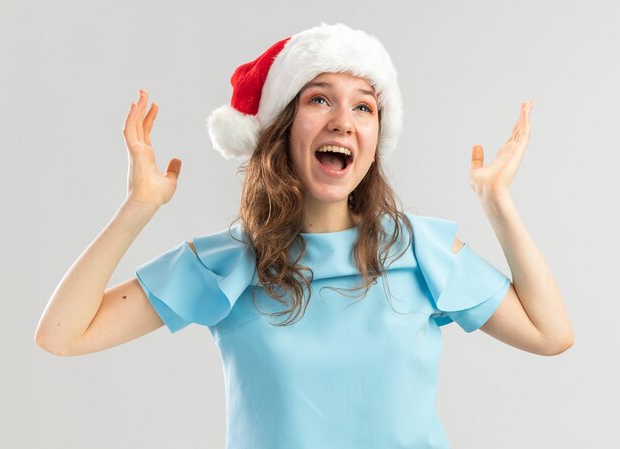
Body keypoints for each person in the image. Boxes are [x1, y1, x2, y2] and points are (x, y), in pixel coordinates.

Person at [35, 23, 574, 448]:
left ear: (375, 136)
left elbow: (551, 335)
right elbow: (62, 334)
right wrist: (139, 207)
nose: (344, 120)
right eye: (320, 100)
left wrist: (496, 202)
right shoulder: (226, 265)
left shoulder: (419, 252)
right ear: (282, 128)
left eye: (364, 105)